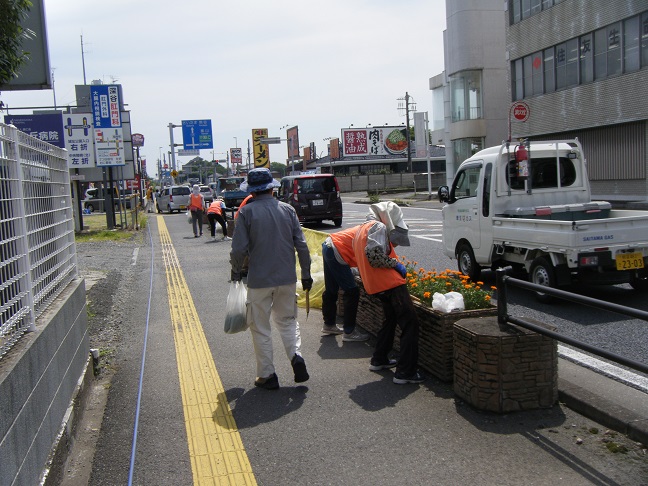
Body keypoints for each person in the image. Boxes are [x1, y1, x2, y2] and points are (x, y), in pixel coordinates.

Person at [230, 168, 313, 390]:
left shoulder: (246, 212)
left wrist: (235, 273)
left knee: (260, 327)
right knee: (287, 321)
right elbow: (302, 246)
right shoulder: (288, 210)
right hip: (287, 278)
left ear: (252, 191)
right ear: (271, 188)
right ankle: (296, 356)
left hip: (259, 279)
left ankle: (267, 375)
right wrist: (306, 275)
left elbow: (239, 249)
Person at [351, 201, 424, 384]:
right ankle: (405, 372)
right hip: (391, 284)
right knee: (410, 323)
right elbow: (374, 256)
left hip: (376, 285)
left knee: (390, 320)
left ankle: (379, 359)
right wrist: (396, 264)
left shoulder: (361, 229)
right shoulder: (378, 226)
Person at [320, 225, 370, 342]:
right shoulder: (375, 234)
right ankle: (349, 332)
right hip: (338, 250)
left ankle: (329, 325)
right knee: (352, 291)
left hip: (328, 245)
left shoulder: (366, 228)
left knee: (331, 289)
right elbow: (367, 262)